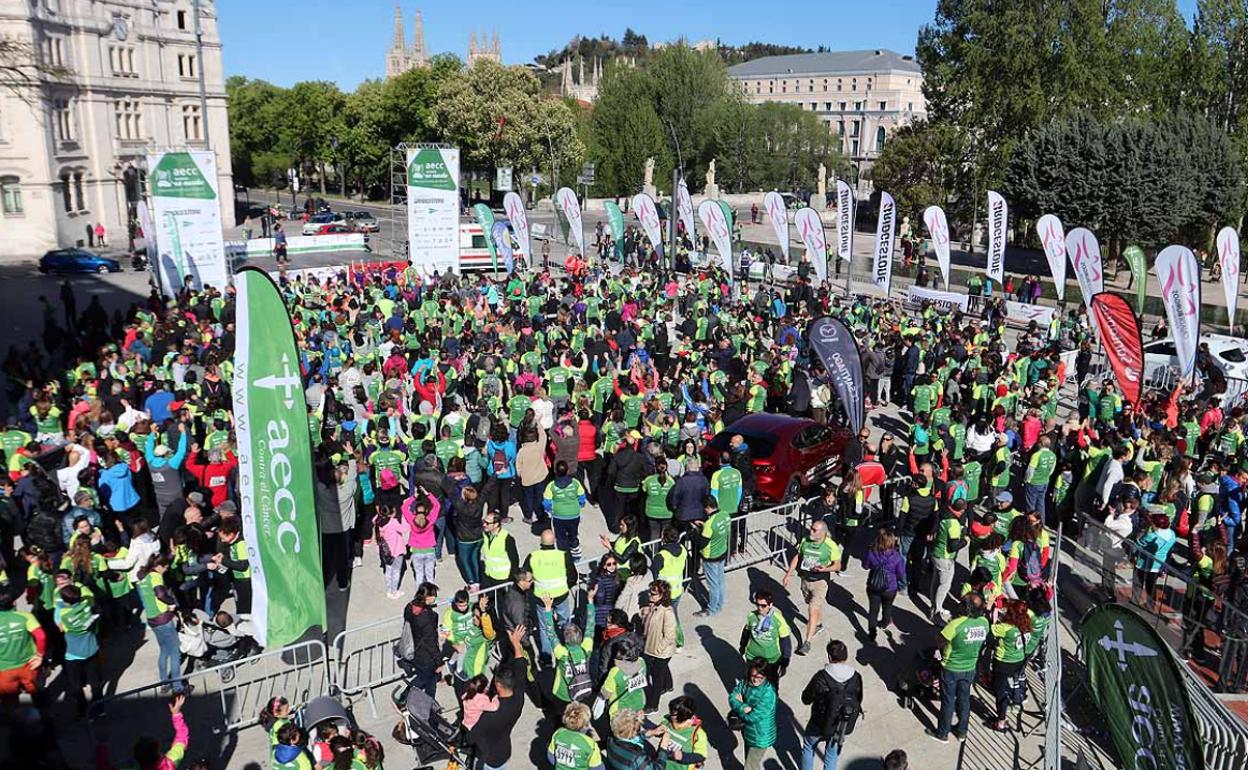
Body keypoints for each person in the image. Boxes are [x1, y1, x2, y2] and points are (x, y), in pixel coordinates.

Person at [929, 593, 991, 743]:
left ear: (965, 607)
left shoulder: (955, 624)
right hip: (970, 667)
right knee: (964, 699)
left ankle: (942, 733)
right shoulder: (984, 622)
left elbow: (940, 641)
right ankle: (962, 732)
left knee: (948, 701)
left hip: (951, 668)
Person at [799, 640, 863, 770]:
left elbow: (806, 699)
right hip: (840, 724)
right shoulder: (856, 677)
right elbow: (859, 698)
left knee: (808, 746)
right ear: (846, 656)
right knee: (832, 753)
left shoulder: (821, 677)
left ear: (829, 657)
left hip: (818, 722)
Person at [784, 519, 842, 655]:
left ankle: (806, 643)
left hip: (820, 582)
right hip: (805, 580)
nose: (811, 531)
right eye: (811, 528)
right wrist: (788, 574)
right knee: (811, 605)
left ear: (823, 533)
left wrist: (825, 569)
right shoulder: (805, 541)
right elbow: (798, 557)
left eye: (814, 530)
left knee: (812, 608)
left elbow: (838, 566)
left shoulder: (830, 546)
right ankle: (818, 624)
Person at [95, 693, 188, 770]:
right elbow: (182, 737)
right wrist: (176, 714)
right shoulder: (171, 763)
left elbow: (104, 767)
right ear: (158, 754)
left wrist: (102, 744)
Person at [986, 598, 1033, 731]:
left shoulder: (1006, 628)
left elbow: (991, 628)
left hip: (1003, 663)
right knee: (1012, 683)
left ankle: (1001, 721)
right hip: (1018, 661)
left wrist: (993, 612)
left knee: (1000, 692)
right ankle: (1017, 701)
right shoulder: (1027, 626)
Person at [729, 657, 778, 770]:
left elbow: (753, 717)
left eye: (760, 678)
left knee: (750, 766)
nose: (755, 680)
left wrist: (740, 705)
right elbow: (732, 697)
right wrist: (744, 707)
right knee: (749, 761)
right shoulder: (746, 682)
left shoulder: (768, 693)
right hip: (748, 731)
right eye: (753, 676)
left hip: (761, 736)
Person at [739, 589, 792, 687]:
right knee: (750, 682)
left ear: (770, 605)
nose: (760, 608)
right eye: (757, 604)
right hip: (752, 656)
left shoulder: (778, 619)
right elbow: (746, 633)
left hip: (771, 659)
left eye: (763, 605)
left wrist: (785, 660)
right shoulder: (751, 616)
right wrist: (742, 647)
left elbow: (785, 640)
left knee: (771, 685)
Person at [639, 579, 677, 713]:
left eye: (653, 594)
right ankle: (668, 685)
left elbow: (670, 636)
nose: (650, 595)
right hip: (652, 647)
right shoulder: (654, 607)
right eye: (650, 592)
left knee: (656, 677)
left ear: (662, 595)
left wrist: (658, 649)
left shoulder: (667, 612)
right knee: (661, 670)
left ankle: (652, 705)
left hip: (661, 651)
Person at [861, 528, 905, 643]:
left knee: (873, 610)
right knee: (888, 607)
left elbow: (865, 566)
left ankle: (872, 633)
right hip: (890, 588)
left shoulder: (871, 552)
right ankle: (884, 624)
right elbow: (901, 573)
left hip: (874, 586)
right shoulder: (896, 556)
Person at [402, 582, 441, 697]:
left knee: (421, 677)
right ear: (427, 597)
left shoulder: (410, 607)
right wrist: (439, 662)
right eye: (434, 595)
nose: (435, 598)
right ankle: (429, 707)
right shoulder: (425, 618)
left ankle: (404, 697)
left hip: (414, 650)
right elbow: (431, 642)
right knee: (430, 682)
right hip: (425, 655)